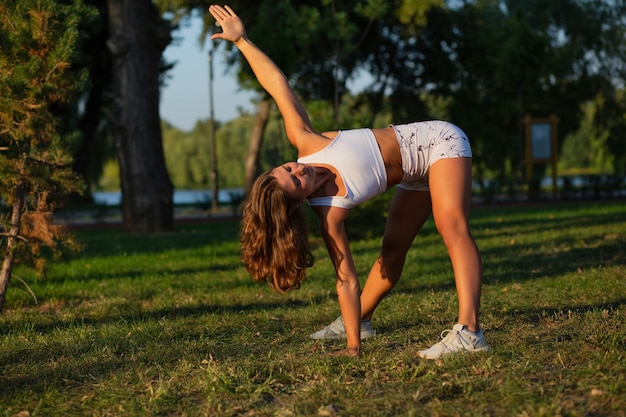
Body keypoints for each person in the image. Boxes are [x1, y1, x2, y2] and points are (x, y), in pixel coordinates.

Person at [209, 4, 490, 358]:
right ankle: (360, 322)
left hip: (438, 141)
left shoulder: (307, 142)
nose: (300, 170)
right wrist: (352, 347)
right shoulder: (331, 214)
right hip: (417, 174)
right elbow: (346, 279)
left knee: (451, 226)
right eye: (296, 181)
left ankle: (469, 331)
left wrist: (242, 40)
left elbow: (277, 85)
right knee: (390, 253)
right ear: (299, 201)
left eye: (289, 167)